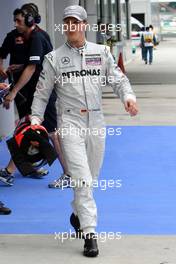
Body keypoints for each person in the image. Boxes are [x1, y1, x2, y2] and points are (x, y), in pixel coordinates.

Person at [31, 5, 138, 257]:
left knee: (92, 178)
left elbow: (118, 79)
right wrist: (36, 118)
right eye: (67, 22)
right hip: (70, 124)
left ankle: (78, 213)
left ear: (84, 25)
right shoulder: (54, 58)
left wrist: (128, 97)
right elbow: (42, 91)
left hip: (97, 123)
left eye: (75, 22)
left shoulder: (101, 52)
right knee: (81, 179)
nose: (70, 26)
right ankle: (90, 234)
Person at [0, 3, 69, 187]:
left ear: (30, 21)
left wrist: (13, 92)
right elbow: (35, 64)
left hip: (44, 94)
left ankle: (69, 174)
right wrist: (18, 69)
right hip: (35, 94)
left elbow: (33, 67)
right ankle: (16, 169)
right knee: (28, 129)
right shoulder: (30, 37)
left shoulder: (37, 38)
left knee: (52, 134)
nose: (15, 24)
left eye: (19, 21)